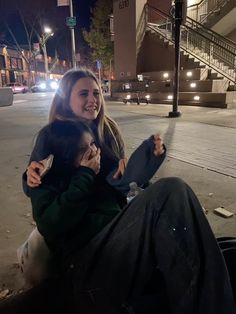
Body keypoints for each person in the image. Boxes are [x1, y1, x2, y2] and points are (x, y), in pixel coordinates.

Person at [0, 68, 235, 314]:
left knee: (219, 246)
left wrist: (147, 162)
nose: (93, 100)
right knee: (171, 191)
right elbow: (38, 184)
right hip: (86, 256)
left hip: (114, 229)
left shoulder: (107, 130)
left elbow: (120, 183)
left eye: (96, 93)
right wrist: (35, 177)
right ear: (65, 100)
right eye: (83, 94)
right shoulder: (53, 137)